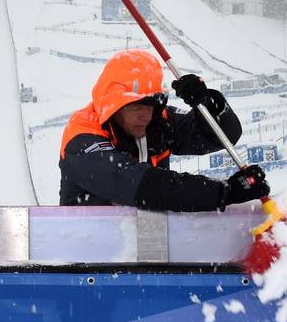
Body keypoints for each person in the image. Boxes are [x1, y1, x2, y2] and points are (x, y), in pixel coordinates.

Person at [58, 49, 268, 211]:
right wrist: (223, 193)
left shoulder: (156, 122)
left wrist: (208, 104)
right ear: (114, 106)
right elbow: (135, 184)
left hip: (149, 247)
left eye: (151, 107)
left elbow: (223, 136)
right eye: (137, 107)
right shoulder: (81, 138)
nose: (146, 116)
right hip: (86, 252)